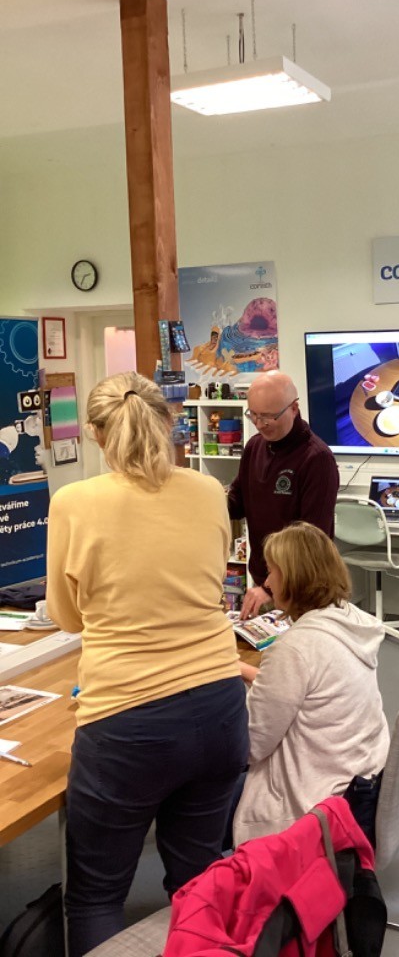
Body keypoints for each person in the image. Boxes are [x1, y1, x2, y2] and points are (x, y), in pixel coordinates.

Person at [46, 372, 249, 957]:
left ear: (94, 433)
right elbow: (210, 579)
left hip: (126, 721)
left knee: (95, 896)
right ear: (168, 422)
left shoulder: (74, 503)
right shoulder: (207, 490)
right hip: (219, 706)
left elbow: (67, 617)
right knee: (199, 878)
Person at [232, 522, 389, 845]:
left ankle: (212, 876)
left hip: (315, 809)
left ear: (294, 578)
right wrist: (244, 670)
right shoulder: (352, 622)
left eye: (271, 572)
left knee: (194, 801)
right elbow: (310, 690)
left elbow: (251, 746)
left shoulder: (293, 650)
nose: (267, 582)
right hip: (361, 785)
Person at [227, 370, 339, 618]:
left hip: (302, 588)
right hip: (266, 581)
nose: (259, 424)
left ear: (294, 409)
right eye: (253, 415)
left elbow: (311, 541)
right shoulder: (254, 446)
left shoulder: (317, 458)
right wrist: (206, 499)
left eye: (268, 416)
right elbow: (237, 503)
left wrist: (270, 588)